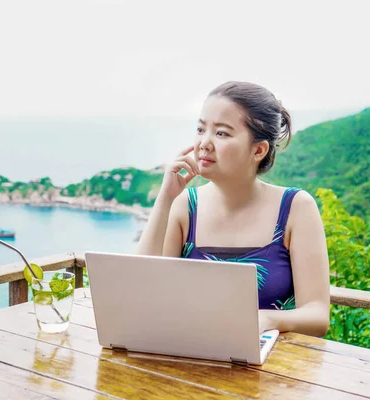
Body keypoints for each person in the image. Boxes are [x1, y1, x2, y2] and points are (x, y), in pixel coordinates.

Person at [136, 81, 330, 337]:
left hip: (273, 368)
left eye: (222, 133)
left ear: (259, 150)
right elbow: (141, 292)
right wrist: (165, 198)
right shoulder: (184, 207)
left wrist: (262, 319)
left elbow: (317, 315)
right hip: (188, 360)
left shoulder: (296, 208)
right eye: (200, 129)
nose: (204, 143)